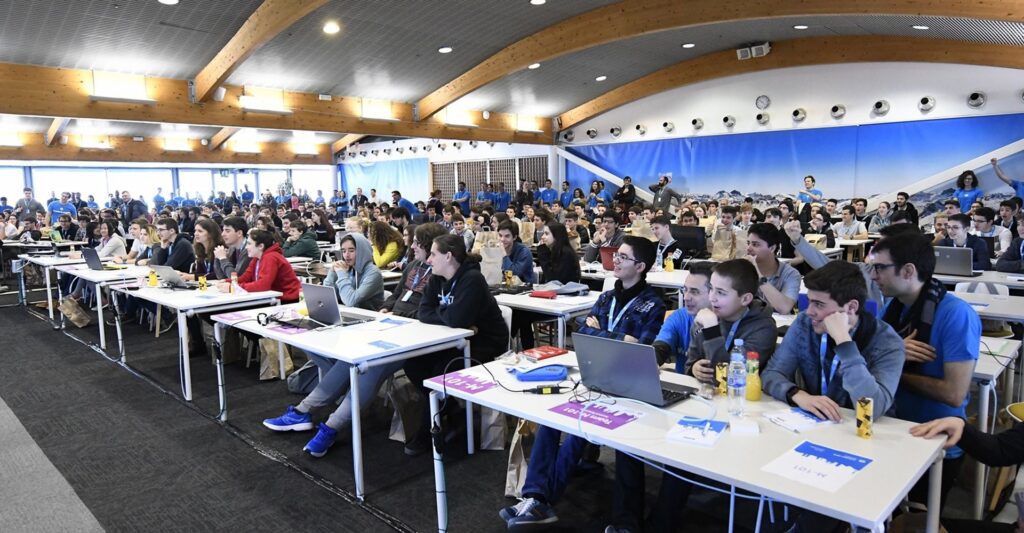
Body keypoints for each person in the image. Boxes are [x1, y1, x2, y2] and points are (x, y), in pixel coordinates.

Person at [503, 237, 664, 530]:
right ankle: (534, 496)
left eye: (623, 257)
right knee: (551, 417)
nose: (615, 260)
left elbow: (641, 348)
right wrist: (620, 338)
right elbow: (581, 332)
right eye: (616, 255)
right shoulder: (606, 298)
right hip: (595, 375)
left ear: (640, 266)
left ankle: (540, 500)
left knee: (579, 425)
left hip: (628, 384)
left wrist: (602, 334)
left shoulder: (653, 304)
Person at [761, 260, 906, 532]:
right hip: (816, 431)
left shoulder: (887, 343)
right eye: (809, 301)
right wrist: (798, 395)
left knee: (821, 511)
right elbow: (771, 374)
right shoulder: (804, 324)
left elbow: (872, 408)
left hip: (867, 442)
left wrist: (844, 343)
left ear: (850, 308)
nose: (809, 311)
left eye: (818, 304)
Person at [871, 232, 981, 508]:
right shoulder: (894, 308)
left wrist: (894, 367)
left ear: (908, 271)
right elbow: (872, 356)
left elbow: (954, 394)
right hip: (892, 427)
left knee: (917, 520)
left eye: (880, 268)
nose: (873, 276)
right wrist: (892, 355)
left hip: (933, 440)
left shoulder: (956, 314)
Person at [260, 232, 386, 456]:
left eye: (352, 250)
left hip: (371, 332)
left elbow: (351, 300)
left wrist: (341, 275)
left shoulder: (372, 273)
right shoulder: (348, 271)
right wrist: (332, 275)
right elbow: (326, 295)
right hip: (352, 327)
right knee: (311, 346)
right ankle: (312, 407)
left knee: (347, 365)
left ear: (363, 251)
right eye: (344, 251)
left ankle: (314, 410)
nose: (347, 255)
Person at [403, 234, 509, 455]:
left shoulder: (472, 279)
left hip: (486, 342)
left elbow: (456, 319)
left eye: (433, 254)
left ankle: (427, 431)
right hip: (456, 340)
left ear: (448, 256)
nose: (429, 260)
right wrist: (451, 315)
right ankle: (452, 409)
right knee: (412, 363)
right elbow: (423, 312)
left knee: (440, 370)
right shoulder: (436, 278)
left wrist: (448, 315)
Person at [381, 223, 447, 317]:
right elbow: (397, 293)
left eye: (417, 242)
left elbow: (428, 312)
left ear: (428, 244)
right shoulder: (412, 265)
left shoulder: (440, 272)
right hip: (394, 316)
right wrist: (385, 308)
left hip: (413, 320)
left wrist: (399, 315)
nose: (412, 246)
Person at [743, 223, 800, 314]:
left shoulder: (790, 274)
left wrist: (758, 274)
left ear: (772, 248)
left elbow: (784, 308)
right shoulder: (742, 269)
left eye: (755, 244)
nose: (748, 248)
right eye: (748, 243)